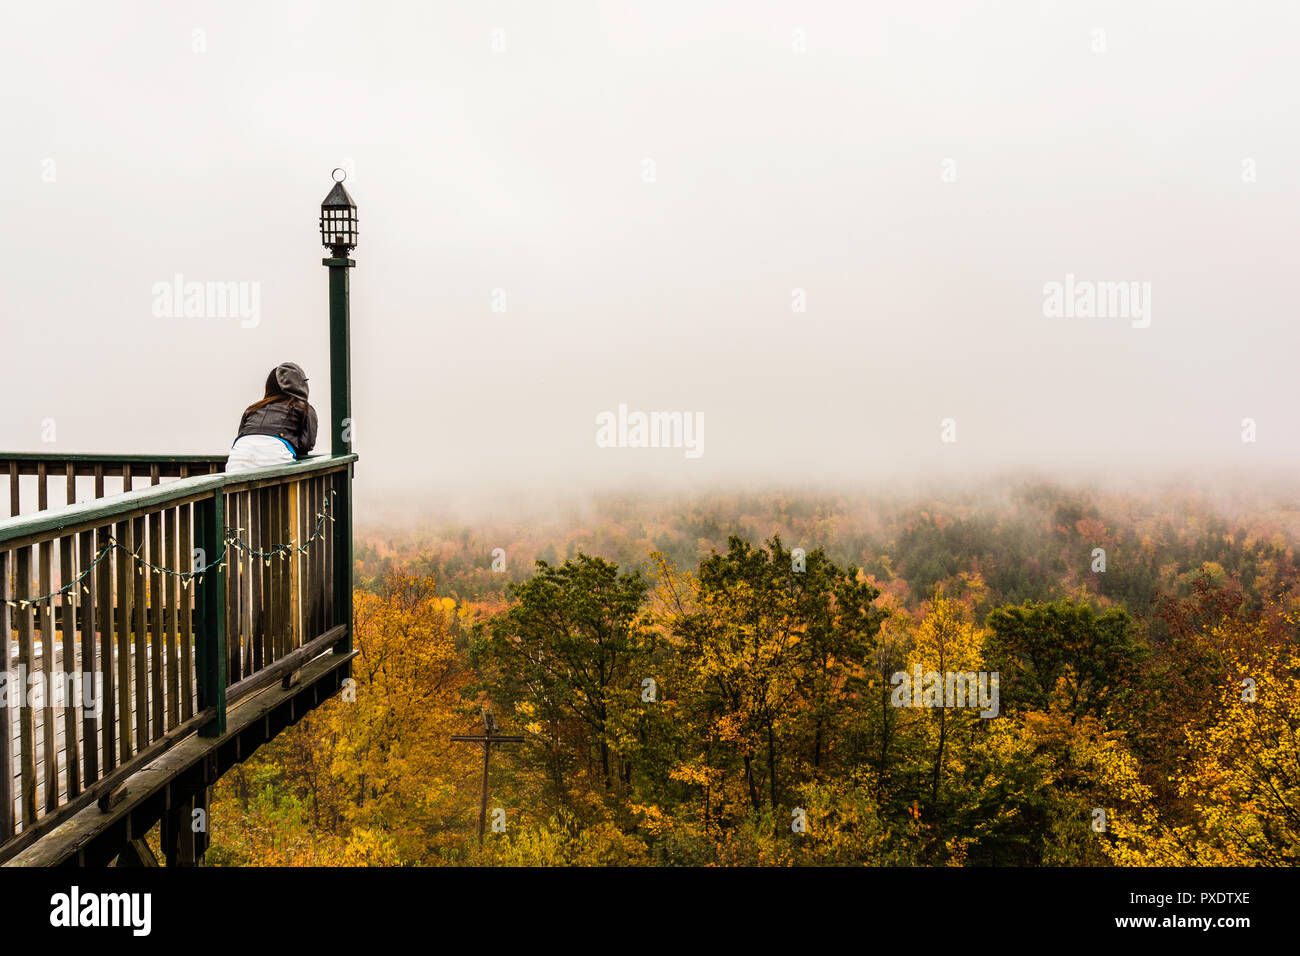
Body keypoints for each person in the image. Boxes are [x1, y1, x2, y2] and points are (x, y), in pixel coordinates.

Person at [225, 362, 319, 473]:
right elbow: (306, 444)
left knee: (239, 490)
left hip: (238, 460)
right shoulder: (305, 408)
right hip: (275, 459)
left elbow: (242, 433)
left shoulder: (253, 408)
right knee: (278, 490)